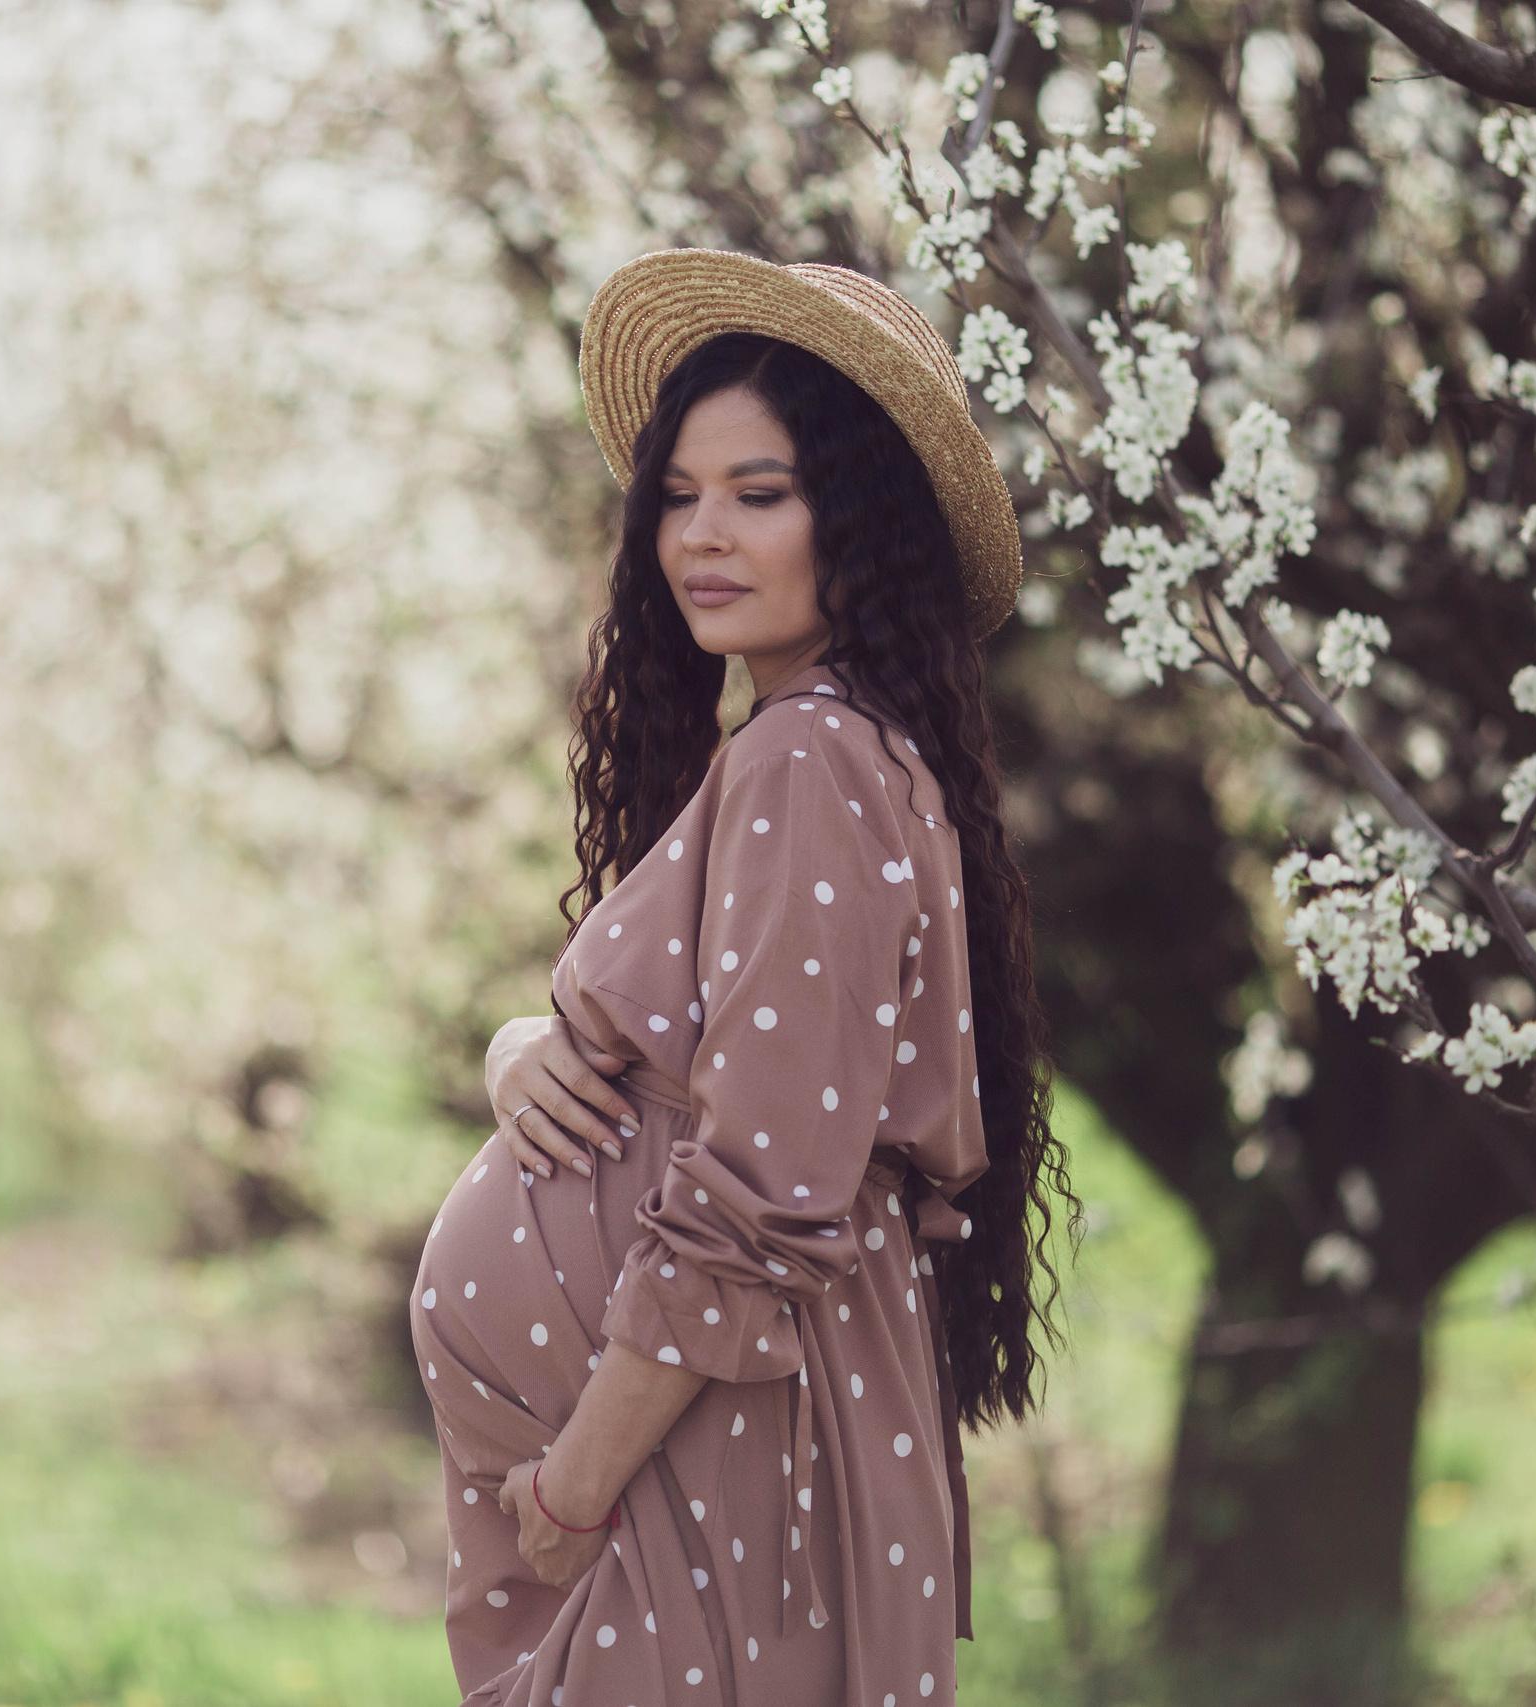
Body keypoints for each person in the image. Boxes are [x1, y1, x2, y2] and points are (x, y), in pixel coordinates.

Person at [409, 249, 1072, 1707]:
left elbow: (761, 1196)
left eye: (759, 494)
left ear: (860, 522)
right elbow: (736, 1075)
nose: (701, 535)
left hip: (714, 1450)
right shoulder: (812, 751)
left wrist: (576, 1483)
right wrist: (525, 1049)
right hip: (724, 1441)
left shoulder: (810, 759)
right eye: (679, 496)